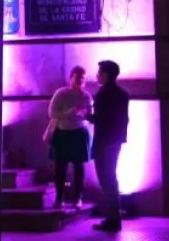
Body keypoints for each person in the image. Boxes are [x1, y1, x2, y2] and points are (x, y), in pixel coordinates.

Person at [87, 60, 129, 232]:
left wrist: (86, 115)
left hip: (104, 141)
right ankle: (114, 217)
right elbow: (123, 119)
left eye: (99, 72)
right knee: (111, 177)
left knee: (105, 178)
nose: (97, 76)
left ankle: (113, 219)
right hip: (116, 140)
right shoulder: (122, 94)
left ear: (105, 75)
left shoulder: (103, 94)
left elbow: (101, 119)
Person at [48, 66, 93, 209]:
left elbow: (90, 115)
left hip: (79, 132)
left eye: (83, 78)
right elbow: (52, 113)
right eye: (77, 77)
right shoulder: (61, 93)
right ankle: (59, 198)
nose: (80, 81)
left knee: (79, 167)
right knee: (60, 167)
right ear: (71, 78)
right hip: (63, 132)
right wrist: (69, 113)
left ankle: (78, 197)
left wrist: (85, 114)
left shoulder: (86, 96)